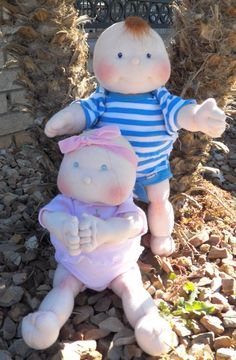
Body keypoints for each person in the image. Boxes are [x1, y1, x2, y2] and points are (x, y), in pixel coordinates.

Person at [44, 16, 226, 256]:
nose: (137, 60)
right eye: (119, 56)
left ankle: (161, 234)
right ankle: (101, 239)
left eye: (148, 56)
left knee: (159, 201)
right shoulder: (103, 99)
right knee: (102, 206)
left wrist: (199, 117)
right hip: (108, 173)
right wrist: (65, 120)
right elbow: (82, 113)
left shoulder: (161, 99)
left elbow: (183, 112)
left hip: (151, 169)